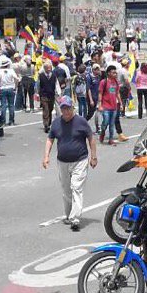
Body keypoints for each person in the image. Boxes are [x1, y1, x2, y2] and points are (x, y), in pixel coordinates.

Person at [42, 97, 98, 231]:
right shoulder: (56, 123)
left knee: (76, 187)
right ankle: (69, 215)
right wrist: (46, 157)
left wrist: (94, 157)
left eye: (68, 108)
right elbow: (50, 140)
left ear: (73, 108)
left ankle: (75, 219)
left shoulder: (81, 122)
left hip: (80, 160)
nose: (66, 111)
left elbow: (91, 139)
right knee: (66, 191)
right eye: (63, 108)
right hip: (62, 162)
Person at [97, 67, 122, 145]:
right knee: (106, 121)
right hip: (105, 106)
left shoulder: (116, 82)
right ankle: (103, 132)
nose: (115, 74)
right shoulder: (103, 82)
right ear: (108, 73)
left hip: (114, 106)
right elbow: (100, 93)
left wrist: (120, 103)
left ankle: (111, 139)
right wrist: (100, 105)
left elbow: (117, 93)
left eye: (115, 72)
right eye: (113, 72)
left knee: (112, 124)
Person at [37, 60, 59, 133]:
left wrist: (58, 93)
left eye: (50, 68)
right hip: (44, 95)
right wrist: (37, 93)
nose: (49, 70)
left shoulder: (54, 76)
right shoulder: (41, 76)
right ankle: (46, 125)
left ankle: (49, 123)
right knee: (45, 110)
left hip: (51, 95)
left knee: (50, 109)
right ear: (45, 68)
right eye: (48, 68)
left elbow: (56, 85)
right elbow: (38, 85)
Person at [0, 59, 19, 127]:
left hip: (2, 88)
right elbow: (16, 78)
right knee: (11, 105)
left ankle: (3, 121)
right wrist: (15, 86)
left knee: (3, 105)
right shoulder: (11, 71)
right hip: (11, 88)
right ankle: (11, 121)